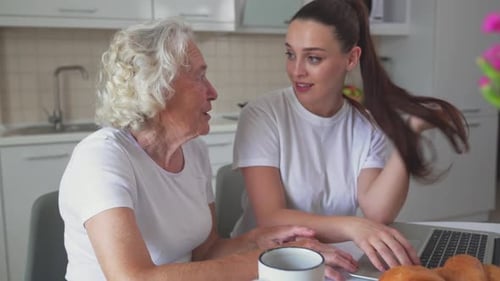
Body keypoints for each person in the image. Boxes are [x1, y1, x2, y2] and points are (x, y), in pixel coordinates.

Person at [58, 18, 360, 281]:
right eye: (200, 77)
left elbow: (207, 251)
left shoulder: (195, 152)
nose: (213, 92)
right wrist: (267, 262)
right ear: (158, 88)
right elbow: (134, 278)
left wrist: (260, 240)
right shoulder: (101, 158)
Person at [231, 0, 469, 274]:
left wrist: (410, 132)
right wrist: (352, 226)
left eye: (313, 58)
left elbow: (378, 212)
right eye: (290, 54)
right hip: (267, 264)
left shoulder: (365, 125)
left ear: (351, 58)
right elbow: (271, 217)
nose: (296, 70)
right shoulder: (262, 114)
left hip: (330, 261)